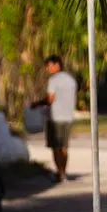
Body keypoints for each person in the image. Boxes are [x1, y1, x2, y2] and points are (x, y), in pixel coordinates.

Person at [31, 55, 77, 183]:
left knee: (56, 147)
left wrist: (37, 104)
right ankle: (64, 173)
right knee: (64, 147)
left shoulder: (54, 80)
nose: (48, 69)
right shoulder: (71, 80)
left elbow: (50, 99)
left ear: (57, 65)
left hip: (55, 117)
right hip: (68, 117)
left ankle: (60, 173)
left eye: (49, 66)